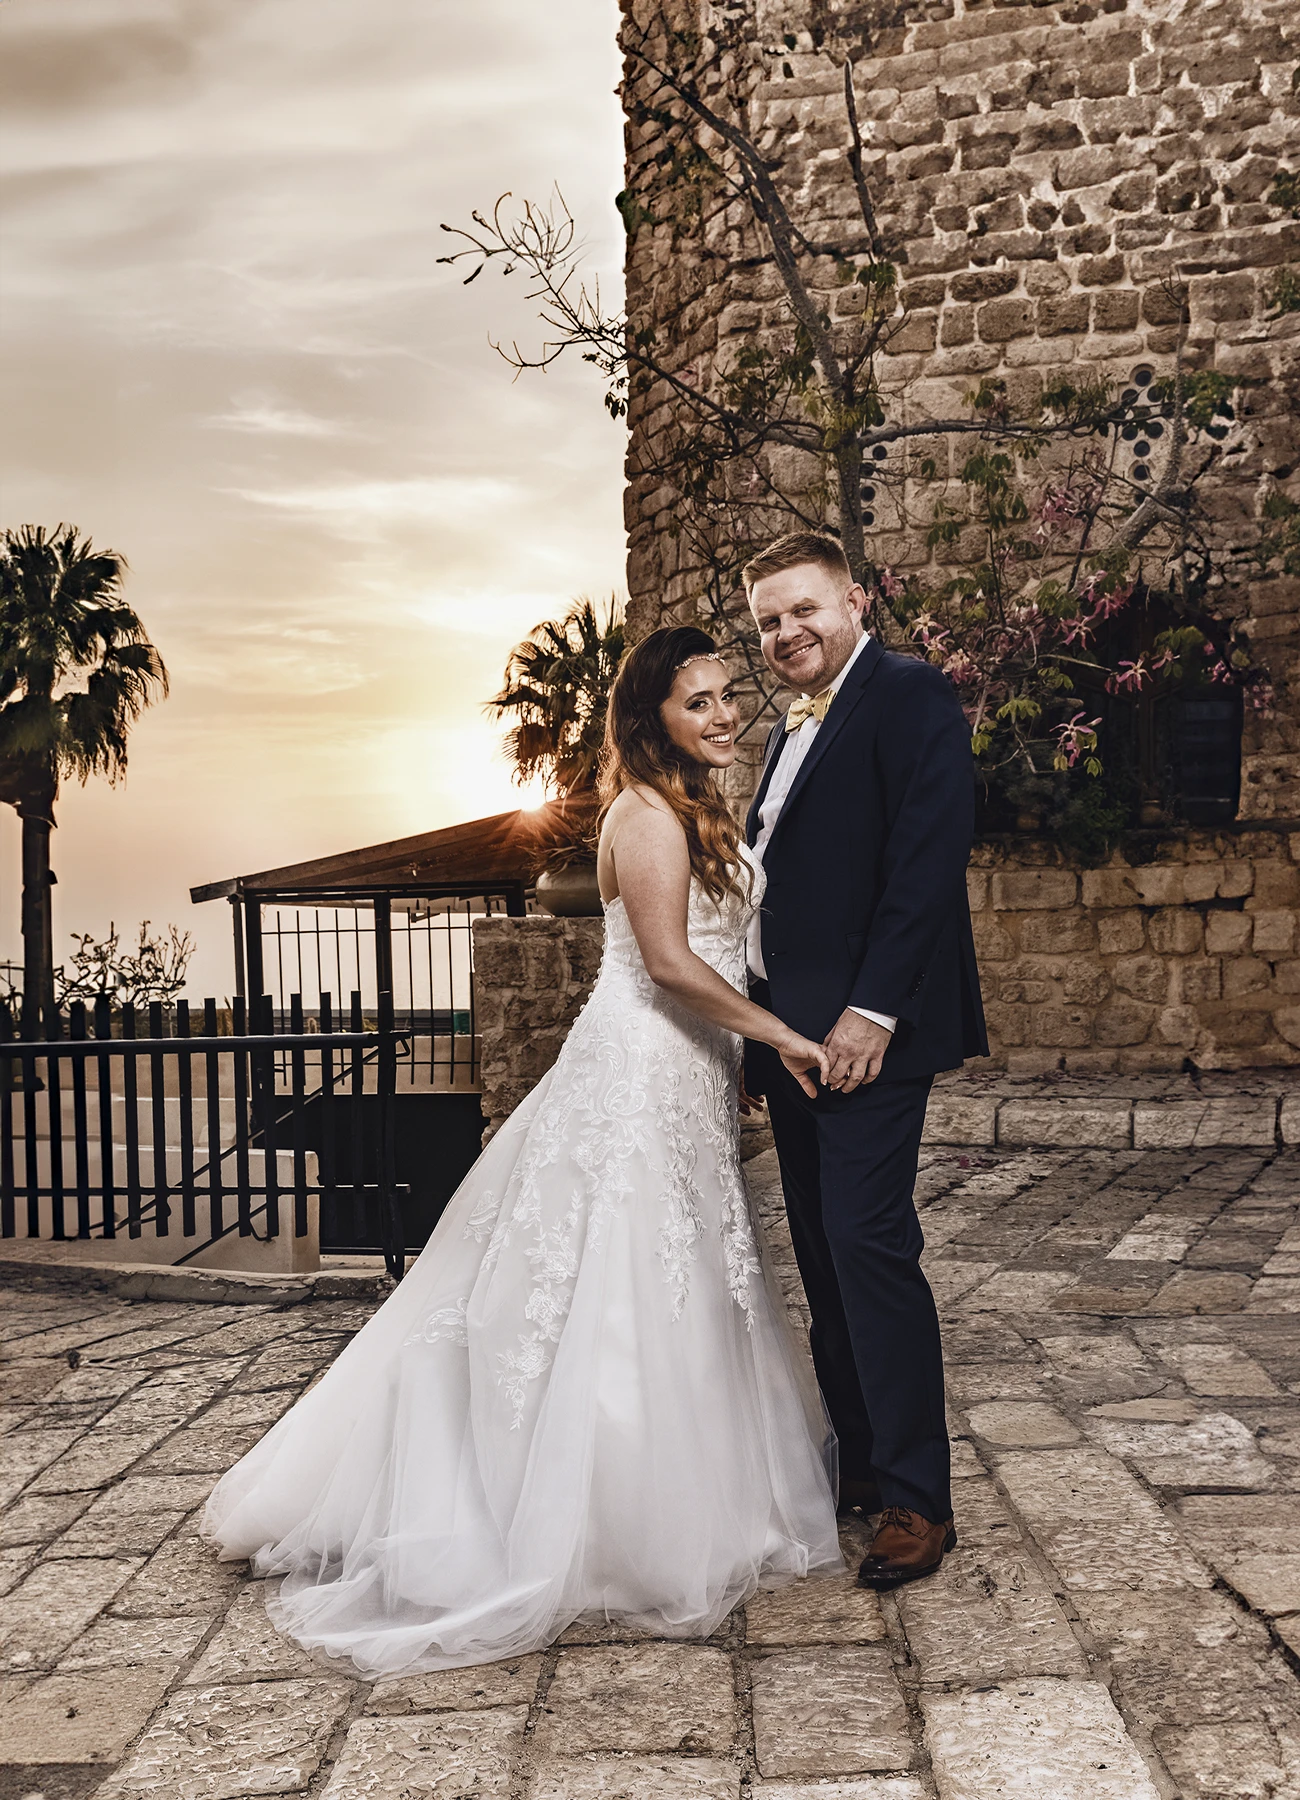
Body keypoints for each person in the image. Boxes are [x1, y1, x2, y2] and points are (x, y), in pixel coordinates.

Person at [202, 624, 842, 1675]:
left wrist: (733, 1069)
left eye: (730, 694)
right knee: (612, 1275)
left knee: (675, 1272)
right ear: (653, 719)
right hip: (634, 1072)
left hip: (684, 1078)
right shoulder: (642, 814)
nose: (725, 713)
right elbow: (674, 966)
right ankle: (574, 1510)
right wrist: (776, 1037)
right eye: (699, 702)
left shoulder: (697, 805)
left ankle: (667, 1490)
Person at [741, 530, 988, 1589]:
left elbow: (926, 858)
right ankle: (862, 1459)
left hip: (865, 1039)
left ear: (853, 600)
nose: (785, 632)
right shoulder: (787, 730)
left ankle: (915, 1500)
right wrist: (760, 1036)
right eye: (767, 622)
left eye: (803, 609)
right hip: (795, 1045)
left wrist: (873, 1014)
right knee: (823, 1252)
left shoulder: (907, 693)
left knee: (869, 1247)